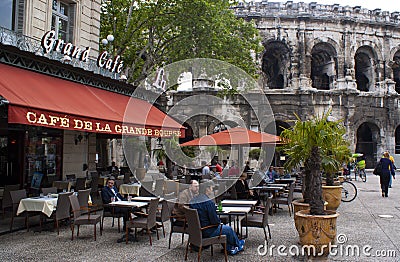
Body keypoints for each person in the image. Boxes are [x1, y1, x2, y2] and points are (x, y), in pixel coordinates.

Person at [189, 182, 245, 255]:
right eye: (211, 188)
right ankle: (237, 245)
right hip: (207, 231)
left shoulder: (192, 201)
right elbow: (214, 221)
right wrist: (220, 223)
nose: (212, 190)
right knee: (228, 229)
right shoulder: (208, 203)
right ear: (207, 189)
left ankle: (229, 247)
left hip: (196, 231)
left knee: (224, 228)